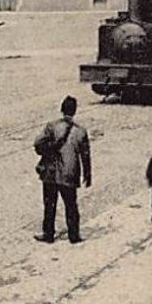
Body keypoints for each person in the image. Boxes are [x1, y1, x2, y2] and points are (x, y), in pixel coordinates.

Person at [33, 95, 92, 245]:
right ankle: (74, 235)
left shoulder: (51, 126)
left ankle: (48, 234)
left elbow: (38, 143)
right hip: (69, 173)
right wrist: (87, 174)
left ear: (61, 109)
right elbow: (85, 154)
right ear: (75, 111)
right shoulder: (81, 131)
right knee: (71, 205)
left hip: (51, 172)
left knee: (49, 203)